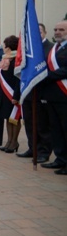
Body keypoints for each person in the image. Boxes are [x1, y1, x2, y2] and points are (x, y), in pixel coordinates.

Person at [18, 23, 53, 163]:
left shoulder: (50, 48)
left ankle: (44, 151)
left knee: (42, 124)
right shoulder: (26, 49)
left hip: (43, 92)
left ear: (45, 32)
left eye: (39, 31)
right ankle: (32, 148)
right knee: (29, 122)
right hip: (28, 92)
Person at [41, 20, 67, 175]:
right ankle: (60, 158)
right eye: (56, 29)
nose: (57, 32)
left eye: (61, 29)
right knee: (55, 129)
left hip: (64, 95)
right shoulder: (53, 48)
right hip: (51, 95)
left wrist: (47, 76)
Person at [0, 35, 22, 153]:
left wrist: (16, 96)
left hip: (13, 93)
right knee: (7, 117)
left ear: (9, 46)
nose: (3, 46)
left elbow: (18, 80)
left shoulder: (17, 59)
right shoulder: (4, 58)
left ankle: (14, 142)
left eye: (4, 44)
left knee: (14, 118)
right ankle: (9, 140)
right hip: (3, 93)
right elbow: (0, 78)